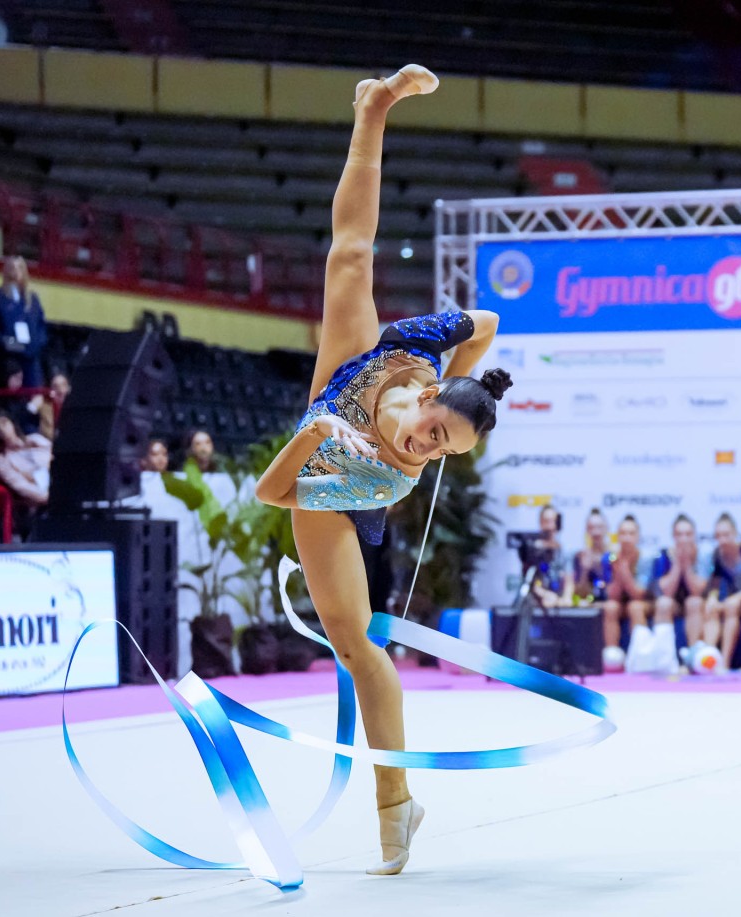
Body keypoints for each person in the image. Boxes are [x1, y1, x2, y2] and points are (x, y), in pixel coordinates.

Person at [253, 64, 506, 878]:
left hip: (330, 466)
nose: (428, 448)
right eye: (436, 431)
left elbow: (272, 492)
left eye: (443, 452)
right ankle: (375, 104)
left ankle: (395, 802)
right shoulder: (423, 357)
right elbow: (486, 321)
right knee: (350, 260)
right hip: (364, 369)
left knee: (359, 647)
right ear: (432, 396)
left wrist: (316, 435)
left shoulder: (389, 477)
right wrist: (447, 378)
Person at [0, 255, 48, 388]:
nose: (15, 272)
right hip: (7, 357)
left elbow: (41, 326)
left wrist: (36, 344)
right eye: (12, 268)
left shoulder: (33, 299)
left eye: (19, 268)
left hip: (31, 356)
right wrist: (10, 343)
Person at [652, 513, 709, 664]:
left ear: (694, 535)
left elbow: (697, 590)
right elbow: (667, 591)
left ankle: (692, 658)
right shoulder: (663, 555)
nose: (684, 539)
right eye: (679, 534)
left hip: (696, 603)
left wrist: (687, 564)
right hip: (674, 603)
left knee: (694, 602)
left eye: (688, 534)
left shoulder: (703, 555)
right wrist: (677, 563)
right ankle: (663, 659)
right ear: (673, 536)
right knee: (663, 603)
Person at [704, 512, 741, 664]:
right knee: (711, 608)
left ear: (735, 533)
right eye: (718, 536)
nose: (723, 540)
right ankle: (708, 657)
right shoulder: (718, 554)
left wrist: (739, 597)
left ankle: (724, 662)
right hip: (732, 599)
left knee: (731, 607)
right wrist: (712, 598)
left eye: (726, 535)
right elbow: (714, 582)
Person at [600, 514, 653, 660]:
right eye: (623, 533)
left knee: (635, 606)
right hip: (619, 601)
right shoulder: (610, 558)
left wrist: (624, 570)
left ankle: (640, 655)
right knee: (610, 607)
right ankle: (612, 654)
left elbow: (639, 594)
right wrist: (618, 569)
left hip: (644, 602)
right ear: (617, 536)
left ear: (638, 537)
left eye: (631, 533)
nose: (627, 538)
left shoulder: (645, 558)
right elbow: (612, 595)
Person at [0, 412, 52, 507]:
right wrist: (49, 497)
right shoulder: (3, 460)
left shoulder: (36, 439)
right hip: (44, 499)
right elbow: (21, 486)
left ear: (11, 423)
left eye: (4, 422)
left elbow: (56, 455)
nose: (2, 428)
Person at [528, 503, 573, 609]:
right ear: (540, 523)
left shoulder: (563, 551)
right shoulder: (532, 550)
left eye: (552, 521)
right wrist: (545, 595)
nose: (549, 526)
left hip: (559, 602)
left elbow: (569, 580)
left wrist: (567, 597)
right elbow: (530, 583)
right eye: (546, 521)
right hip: (537, 604)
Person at [571, 508, 610, 604]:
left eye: (599, 527)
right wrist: (585, 570)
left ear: (606, 528)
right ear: (587, 530)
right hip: (589, 605)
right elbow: (579, 594)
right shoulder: (580, 556)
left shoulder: (614, 556)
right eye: (592, 527)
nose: (596, 532)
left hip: (610, 606)